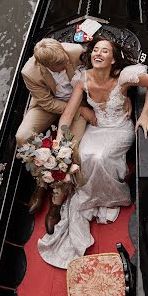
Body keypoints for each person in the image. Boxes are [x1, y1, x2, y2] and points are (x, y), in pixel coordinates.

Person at [38, 36, 148, 268]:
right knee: (85, 155)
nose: (98, 54)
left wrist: (143, 114)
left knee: (101, 157)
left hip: (120, 128)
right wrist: (60, 139)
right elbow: (68, 114)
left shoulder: (123, 77)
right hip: (98, 127)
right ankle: (93, 197)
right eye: (95, 51)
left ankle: (113, 196)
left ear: (113, 59)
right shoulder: (83, 80)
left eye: (105, 51)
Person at [16, 38, 95, 233]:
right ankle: (41, 183)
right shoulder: (29, 72)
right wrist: (70, 109)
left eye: (65, 59)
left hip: (77, 105)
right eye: (60, 65)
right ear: (45, 65)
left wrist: (78, 108)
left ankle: (57, 201)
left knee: (69, 148)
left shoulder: (75, 52)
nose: (66, 64)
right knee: (22, 136)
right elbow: (48, 103)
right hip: (50, 105)